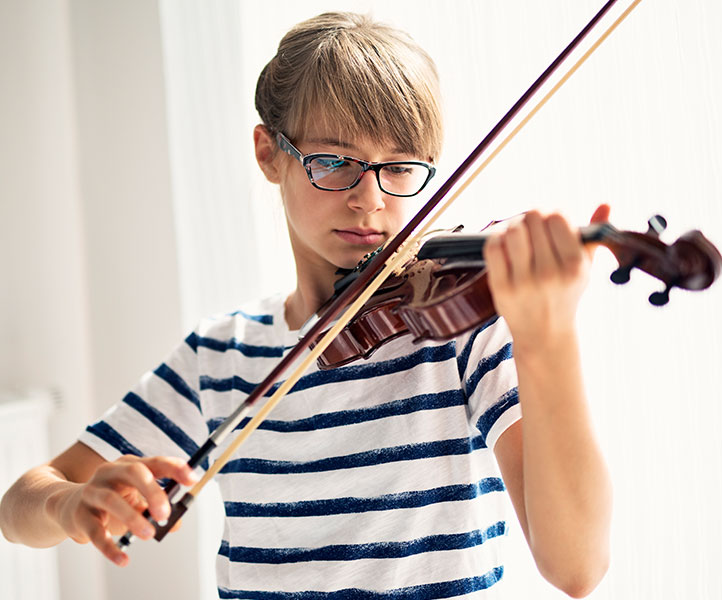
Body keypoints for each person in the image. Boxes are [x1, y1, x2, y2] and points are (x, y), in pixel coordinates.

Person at [0, 12, 612, 599]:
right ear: (269, 152)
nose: (368, 200)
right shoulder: (221, 355)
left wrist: (548, 339)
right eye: (334, 163)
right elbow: (19, 507)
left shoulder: (461, 332)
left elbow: (576, 567)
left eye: (400, 167)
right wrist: (69, 504)